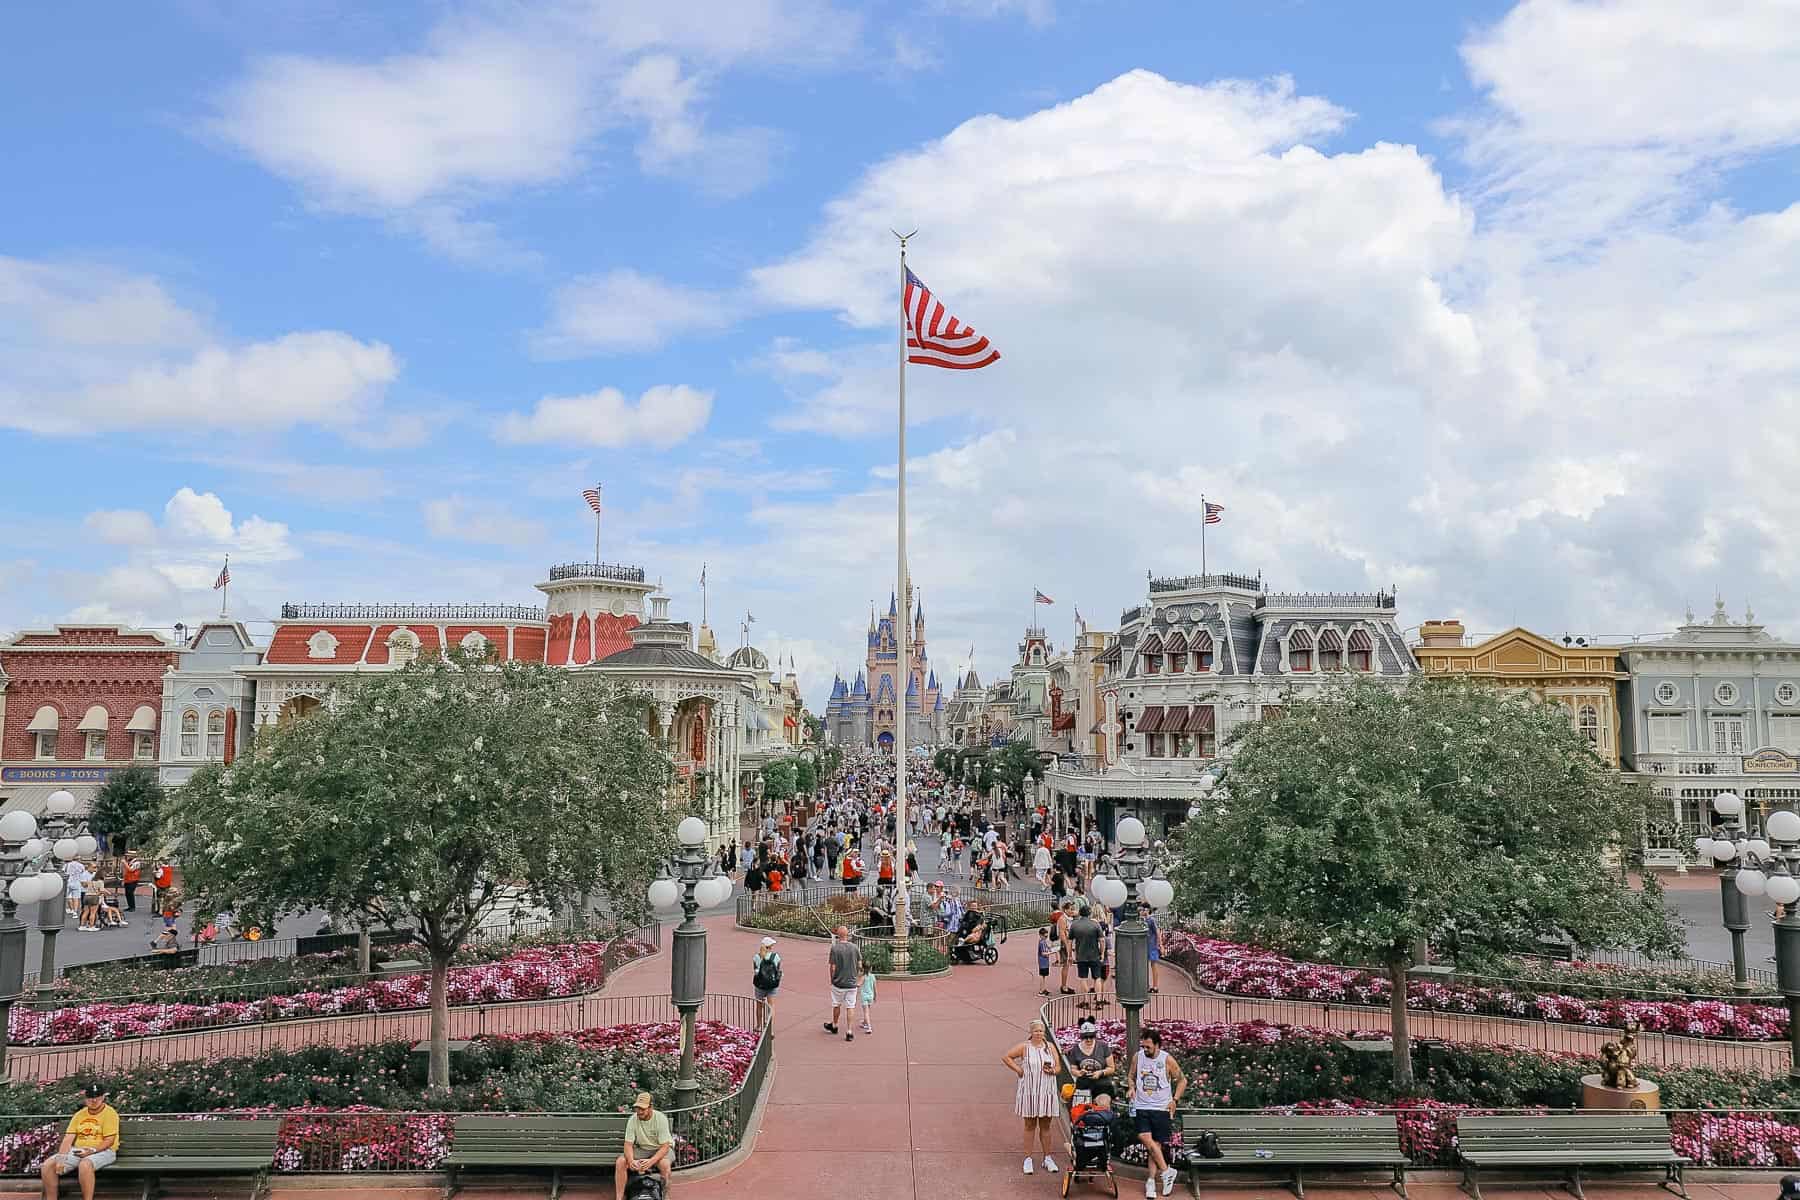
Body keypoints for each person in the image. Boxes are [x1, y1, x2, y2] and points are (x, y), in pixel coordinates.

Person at [1127, 1027, 1186, 1198]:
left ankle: (1151, 1182)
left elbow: (1182, 1080)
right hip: (1142, 1106)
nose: (1145, 1050)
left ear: (1157, 1046)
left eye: (1148, 1047)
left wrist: (1174, 1100)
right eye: (1143, 1046)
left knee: (1156, 1146)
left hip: (1161, 1108)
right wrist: (1131, 1088)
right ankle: (1167, 1171)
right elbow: (1130, 1076)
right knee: (1145, 1138)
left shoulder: (1167, 1059)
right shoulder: (1138, 1057)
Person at [1002, 1018, 1062, 1176]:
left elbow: (1058, 1067)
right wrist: (1018, 1070)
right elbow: (1007, 1057)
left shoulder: (1050, 1047)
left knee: (1046, 1126)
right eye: (1036, 1031)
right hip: (1029, 1091)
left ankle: (1047, 1158)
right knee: (1029, 1125)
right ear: (1031, 1032)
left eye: (1041, 1031)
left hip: (1046, 1091)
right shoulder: (1024, 1047)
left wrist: (1052, 1071)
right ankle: (1028, 1158)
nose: (1039, 1033)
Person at [42, 1084, 119, 1200]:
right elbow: (68, 1138)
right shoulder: (79, 1115)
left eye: (97, 1097)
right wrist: (61, 1159)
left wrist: (91, 1150)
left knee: (85, 1164)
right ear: (85, 1098)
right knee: (47, 1165)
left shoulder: (110, 1113)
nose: (94, 1100)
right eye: (90, 1097)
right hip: (79, 1150)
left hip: (103, 1151)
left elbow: (109, 1140)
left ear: (103, 1097)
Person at [615, 1091, 673, 1200]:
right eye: (637, 1108)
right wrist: (631, 1161)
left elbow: (665, 1146)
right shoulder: (633, 1119)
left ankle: (666, 1197)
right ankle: (619, 1198)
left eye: (642, 1108)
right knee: (620, 1162)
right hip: (642, 1148)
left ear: (650, 1107)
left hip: (660, 1149)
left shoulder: (660, 1119)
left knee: (665, 1165)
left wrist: (651, 1161)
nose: (639, 1111)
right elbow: (628, 1144)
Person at [822, 925, 862, 1041]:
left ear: (838, 935)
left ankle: (834, 1025)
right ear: (847, 934)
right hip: (851, 983)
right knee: (850, 1006)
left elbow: (833, 967)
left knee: (836, 1004)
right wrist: (856, 978)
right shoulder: (854, 948)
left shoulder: (835, 948)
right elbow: (860, 965)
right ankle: (849, 1031)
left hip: (839, 982)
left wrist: (832, 979)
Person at [1068, 1018, 1117, 1099]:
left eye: (1091, 1036)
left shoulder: (1103, 1046)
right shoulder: (1075, 1049)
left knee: (1102, 1104)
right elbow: (1073, 1069)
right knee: (1082, 1108)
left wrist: (1100, 1073)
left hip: (1102, 1084)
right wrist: (1079, 1073)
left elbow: (1111, 1068)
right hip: (1083, 1084)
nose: (1088, 1039)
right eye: (1085, 1037)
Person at [752, 936, 782, 1021]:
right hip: (772, 984)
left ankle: (758, 1026)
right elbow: (778, 969)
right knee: (771, 1005)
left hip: (760, 984)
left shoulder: (756, 957)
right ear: (770, 946)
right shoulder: (775, 956)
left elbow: (755, 971)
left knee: (759, 1006)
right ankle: (770, 1027)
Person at [1142, 903, 1162, 994]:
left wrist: (1160, 945)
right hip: (1144, 946)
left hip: (1152, 945)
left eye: (1144, 909)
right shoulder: (1142, 920)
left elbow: (1157, 932)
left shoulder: (1151, 920)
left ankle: (1155, 986)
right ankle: (1146, 985)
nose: (1142, 911)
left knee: (1153, 965)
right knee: (1144, 966)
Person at [858, 961, 876, 1035]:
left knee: (866, 1012)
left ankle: (869, 1027)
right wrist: (875, 996)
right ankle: (865, 1023)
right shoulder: (873, 976)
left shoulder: (863, 977)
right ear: (871, 968)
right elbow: (875, 988)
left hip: (864, 996)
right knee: (867, 1010)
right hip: (870, 996)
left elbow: (858, 984)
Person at [1036, 927, 1053, 996]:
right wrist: (1050, 953)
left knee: (1044, 976)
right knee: (1042, 976)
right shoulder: (1042, 942)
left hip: (1044, 962)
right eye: (1045, 936)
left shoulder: (1043, 942)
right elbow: (1043, 953)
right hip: (1043, 962)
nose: (1046, 938)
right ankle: (1041, 990)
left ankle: (1043, 988)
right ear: (1041, 935)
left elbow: (1047, 948)